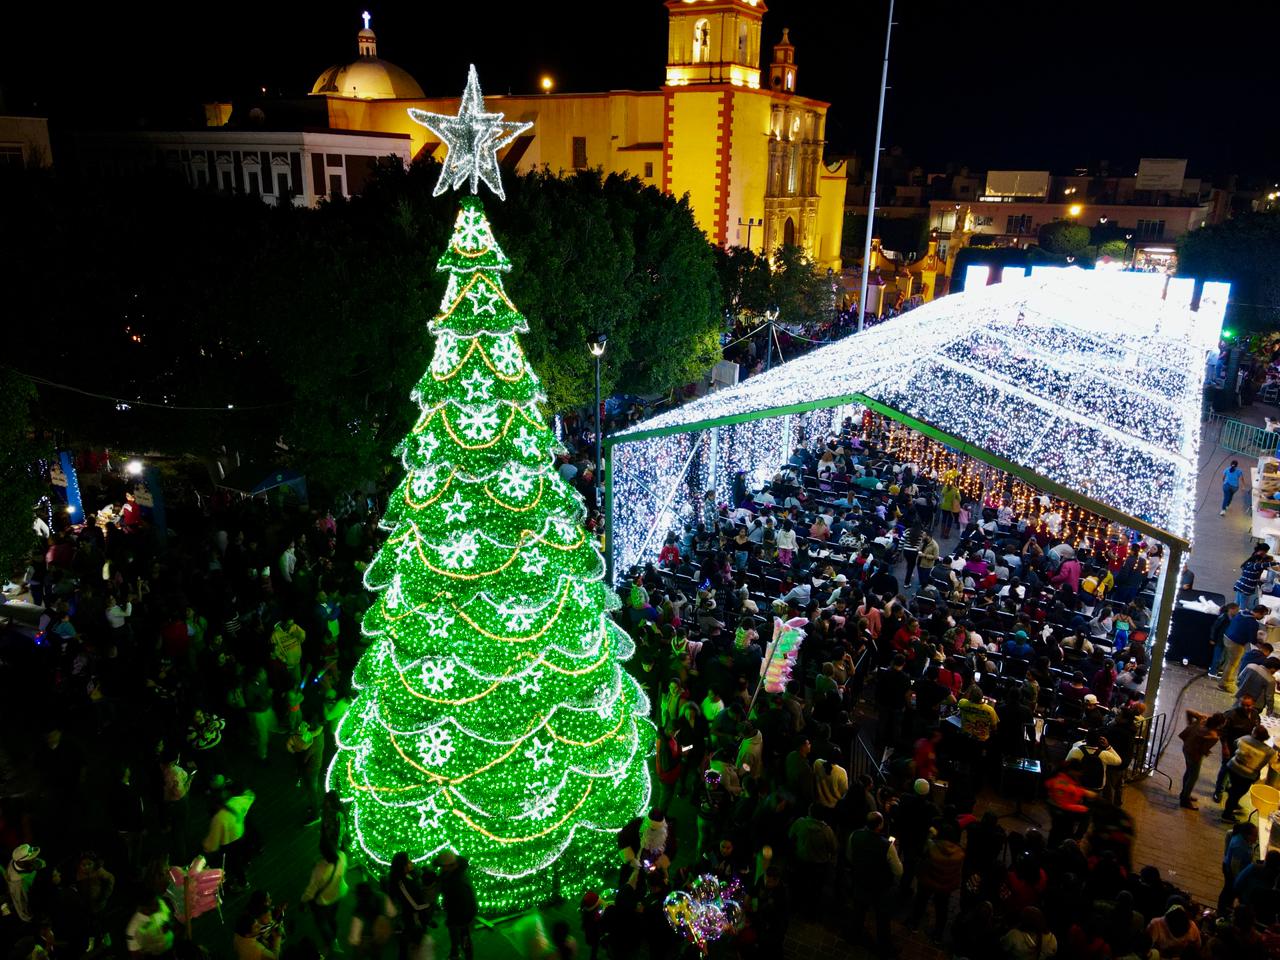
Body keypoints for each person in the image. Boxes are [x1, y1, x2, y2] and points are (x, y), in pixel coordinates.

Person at [845, 812, 901, 954]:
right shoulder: (887, 845)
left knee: (858, 911)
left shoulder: (855, 835)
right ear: (880, 825)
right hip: (880, 887)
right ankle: (884, 947)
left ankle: (854, 937)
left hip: (860, 881)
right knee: (882, 918)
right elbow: (898, 871)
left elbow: (850, 856)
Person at [1222, 725, 1280, 821]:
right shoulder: (1269, 751)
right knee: (1238, 792)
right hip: (1247, 775)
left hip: (1233, 767)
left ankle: (1232, 800)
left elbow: (1235, 743)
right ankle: (1227, 814)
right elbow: (1275, 763)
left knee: (1235, 789)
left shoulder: (1245, 739)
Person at [300, 841, 348, 950]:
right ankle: (334, 936)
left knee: (321, 922)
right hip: (338, 894)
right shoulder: (342, 857)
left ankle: (330, 940)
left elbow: (310, 890)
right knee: (332, 917)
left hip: (323, 901)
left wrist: (303, 901)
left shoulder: (319, 870)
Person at [1176, 710, 1225, 809]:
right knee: (1193, 776)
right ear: (1220, 725)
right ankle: (1184, 800)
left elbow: (1188, 711)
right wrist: (1206, 751)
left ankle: (1184, 794)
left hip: (1187, 748)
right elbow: (1204, 749)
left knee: (1188, 772)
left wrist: (1190, 724)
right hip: (1195, 755)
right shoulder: (1213, 736)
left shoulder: (1202, 720)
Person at [436, 851, 478, 960]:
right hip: (453, 913)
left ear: (451, 865)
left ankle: (468, 957)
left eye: (443, 867)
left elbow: (466, 904)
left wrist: (460, 921)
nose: (441, 869)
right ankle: (454, 953)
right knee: (454, 937)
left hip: (462, 917)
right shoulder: (450, 872)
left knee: (464, 938)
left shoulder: (458, 881)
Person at [1220, 604, 1268, 694]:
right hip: (1235, 643)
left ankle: (1222, 674)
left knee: (1228, 660)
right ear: (1258, 613)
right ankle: (1224, 683)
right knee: (1233, 664)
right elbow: (1252, 640)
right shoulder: (1253, 623)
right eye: (1262, 615)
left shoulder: (1242, 612)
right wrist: (1261, 644)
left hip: (1226, 637)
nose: (1262, 617)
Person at [125, 893, 176, 958]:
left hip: (171, 948)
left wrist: (170, 924)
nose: (159, 904)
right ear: (143, 907)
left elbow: (169, 916)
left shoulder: (160, 903)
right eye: (154, 904)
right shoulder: (132, 930)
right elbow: (136, 954)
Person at [5, 843, 44, 922]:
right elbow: (23, 903)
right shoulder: (19, 884)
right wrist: (29, 917)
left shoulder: (14, 861)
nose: (35, 858)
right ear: (21, 863)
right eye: (32, 858)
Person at [1208, 602, 1240, 679]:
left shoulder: (1233, 618)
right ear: (1231, 610)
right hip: (1220, 640)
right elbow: (1215, 628)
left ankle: (1216, 670)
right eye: (1236, 610)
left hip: (1226, 640)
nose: (1237, 611)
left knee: (1222, 657)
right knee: (1217, 657)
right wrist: (1212, 638)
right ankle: (1212, 672)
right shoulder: (1223, 617)